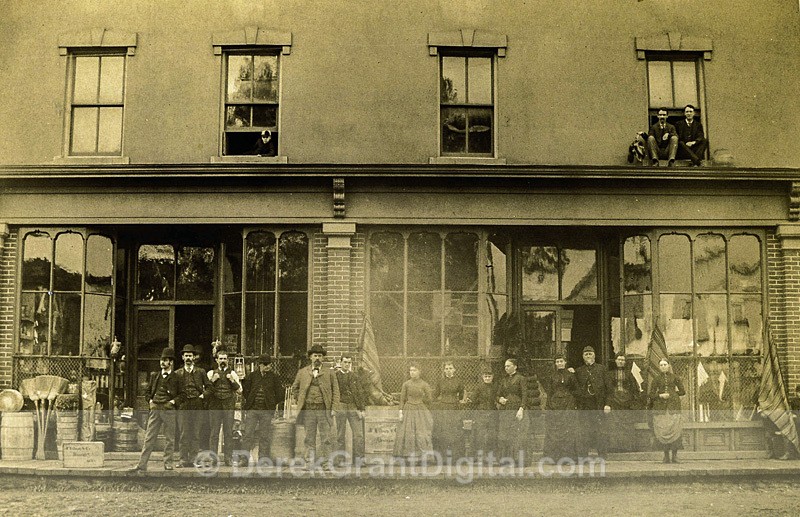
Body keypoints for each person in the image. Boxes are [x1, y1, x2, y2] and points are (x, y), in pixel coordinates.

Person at [129, 347, 178, 473]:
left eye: (166, 360)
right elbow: (148, 392)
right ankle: (142, 464)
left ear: (171, 362)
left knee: (170, 438)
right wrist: (150, 402)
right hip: (155, 409)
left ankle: (168, 463)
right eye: (162, 360)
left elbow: (182, 395)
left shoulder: (176, 377)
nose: (162, 362)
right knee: (149, 437)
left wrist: (172, 402)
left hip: (168, 410)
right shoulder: (154, 376)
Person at [292, 344, 340, 468]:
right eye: (315, 356)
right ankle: (309, 462)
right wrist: (300, 400)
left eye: (320, 356)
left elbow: (336, 391)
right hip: (308, 410)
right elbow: (295, 388)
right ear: (310, 357)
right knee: (309, 437)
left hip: (324, 410)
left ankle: (327, 462)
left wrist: (334, 408)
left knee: (326, 437)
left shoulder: (330, 373)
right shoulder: (302, 372)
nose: (317, 358)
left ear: (323, 358)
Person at [241, 354, 284, 464]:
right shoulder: (252, 376)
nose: (268, 366)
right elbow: (246, 391)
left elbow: (280, 394)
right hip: (253, 410)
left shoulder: (274, 377)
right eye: (265, 364)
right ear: (259, 365)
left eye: (269, 364)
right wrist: (251, 401)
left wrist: (271, 403)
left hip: (266, 411)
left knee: (264, 436)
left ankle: (263, 460)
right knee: (248, 435)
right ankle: (244, 459)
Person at [173, 343, 211, 468]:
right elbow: (172, 390)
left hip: (197, 404)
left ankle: (194, 459)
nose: (188, 358)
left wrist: (203, 396)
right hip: (183, 406)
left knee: (195, 433)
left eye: (190, 355)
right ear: (183, 358)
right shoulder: (177, 373)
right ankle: (183, 460)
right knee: (184, 433)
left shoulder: (201, 372)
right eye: (186, 356)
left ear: (194, 357)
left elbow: (210, 388)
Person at [206, 348, 242, 466]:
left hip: (228, 405)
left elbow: (240, 390)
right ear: (216, 360)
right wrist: (212, 380)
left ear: (228, 361)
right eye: (220, 358)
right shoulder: (211, 373)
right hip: (215, 405)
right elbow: (206, 390)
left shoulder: (233, 373)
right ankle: (213, 459)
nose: (223, 361)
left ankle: (228, 458)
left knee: (228, 432)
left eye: (225, 359)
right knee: (214, 432)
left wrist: (232, 381)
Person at [574, 346, 611, 458]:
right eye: (586, 354)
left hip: (598, 404)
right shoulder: (579, 371)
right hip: (585, 405)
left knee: (600, 430)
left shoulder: (602, 369)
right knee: (584, 430)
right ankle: (583, 456)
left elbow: (609, 389)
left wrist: (607, 404)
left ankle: (602, 456)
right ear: (583, 356)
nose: (588, 356)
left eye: (590, 353)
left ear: (594, 355)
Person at [393, 363, 433, 464]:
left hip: (420, 410)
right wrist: (400, 412)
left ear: (419, 371)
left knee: (420, 433)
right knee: (408, 433)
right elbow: (402, 399)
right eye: (410, 370)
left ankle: (421, 459)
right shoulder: (406, 384)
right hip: (408, 410)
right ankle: (408, 459)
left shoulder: (424, 384)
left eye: (414, 370)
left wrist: (422, 403)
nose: (412, 372)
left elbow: (430, 399)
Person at [648, 358, 686, 464]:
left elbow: (682, 391)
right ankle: (666, 457)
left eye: (665, 364)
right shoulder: (656, 379)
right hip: (660, 408)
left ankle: (675, 456)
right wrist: (660, 395)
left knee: (675, 431)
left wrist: (672, 395)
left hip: (673, 408)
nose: (663, 366)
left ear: (669, 365)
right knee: (663, 431)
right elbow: (651, 394)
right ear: (659, 367)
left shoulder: (675, 378)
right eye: (661, 365)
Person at [542, 354, 578, 460]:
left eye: (561, 361)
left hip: (568, 404)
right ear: (555, 364)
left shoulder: (571, 375)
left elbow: (576, 390)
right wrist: (549, 406)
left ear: (565, 362)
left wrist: (572, 401)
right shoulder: (552, 376)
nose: (559, 364)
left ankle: (568, 457)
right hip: (555, 405)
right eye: (557, 362)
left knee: (568, 430)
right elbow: (550, 391)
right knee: (555, 430)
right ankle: (555, 457)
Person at [334, 354, 368, 465]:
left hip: (354, 406)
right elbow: (333, 393)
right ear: (340, 363)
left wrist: (361, 409)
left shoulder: (355, 376)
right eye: (345, 362)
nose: (347, 365)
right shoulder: (335, 376)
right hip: (341, 406)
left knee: (359, 435)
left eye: (349, 362)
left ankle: (359, 460)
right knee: (340, 435)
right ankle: (340, 460)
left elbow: (360, 393)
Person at [604, 353, 640, 452]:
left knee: (626, 424)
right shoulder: (610, 374)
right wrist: (608, 403)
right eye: (619, 359)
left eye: (622, 360)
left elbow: (634, 389)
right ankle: (615, 447)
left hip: (626, 402)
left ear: (625, 362)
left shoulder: (629, 374)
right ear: (615, 361)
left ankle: (627, 447)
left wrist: (632, 402)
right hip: (614, 401)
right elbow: (608, 389)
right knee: (614, 424)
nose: (620, 362)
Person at [431, 361, 466, 458]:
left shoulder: (459, 381)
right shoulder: (440, 381)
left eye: (450, 368)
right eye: (446, 368)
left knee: (455, 431)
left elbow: (461, 396)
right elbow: (435, 394)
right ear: (444, 370)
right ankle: (442, 457)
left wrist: (459, 403)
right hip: (443, 408)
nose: (448, 370)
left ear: (454, 370)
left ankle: (456, 457)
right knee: (443, 431)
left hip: (454, 408)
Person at [496, 358, 527, 462]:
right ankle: (505, 460)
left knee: (516, 435)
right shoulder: (503, 380)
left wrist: (521, 409)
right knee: (505, 434)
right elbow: (497, 395)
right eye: (505, 366)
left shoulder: (521, 378)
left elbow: (524, 395)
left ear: (515, 366)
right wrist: (500, 399)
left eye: (508, 366)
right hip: (506, 410)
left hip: (516, 410)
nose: (506, 368)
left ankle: (517, 460)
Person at [470, 363, 498, 464]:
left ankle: (490, 457)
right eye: (485, 376)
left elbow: (498, 397)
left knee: (491, 435)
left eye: (489, 376)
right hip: (481, 413)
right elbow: (473, 400)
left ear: (492, 377)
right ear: (482, 377)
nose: (487, 378)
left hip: (492, 413)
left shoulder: (495, 387)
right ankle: (479, 457)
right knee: (480, 435)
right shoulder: (479, 388)